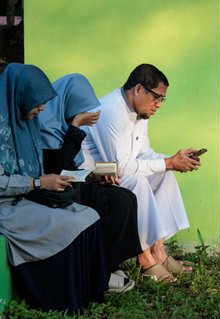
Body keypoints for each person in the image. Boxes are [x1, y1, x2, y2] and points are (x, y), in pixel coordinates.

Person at [0, 63, 108, 313]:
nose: (42, 109)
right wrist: (38, 182)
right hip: (6, 207)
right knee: (71, 224)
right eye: (37, 102)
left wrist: (48, 180)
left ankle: (89, 293)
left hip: (26, 197)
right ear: (19, 95)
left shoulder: (26, 123)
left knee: (89, 215)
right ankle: (60, 300)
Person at [81, 64, 199, 282]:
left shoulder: (139, 113)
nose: (158, 105)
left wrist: (175, 159)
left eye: (162, 100)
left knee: (164, 175)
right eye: (156, 97)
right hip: (91, 178)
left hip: (114, 174)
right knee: (138, 182)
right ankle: (144, 257)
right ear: (138, 89)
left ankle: (158, 250)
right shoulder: (111, 111)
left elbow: (145, 153)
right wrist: (169, 162)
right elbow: (122, 168)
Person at [39, 73, 142, 292]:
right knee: (117, 204)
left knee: (126, 197)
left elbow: (72, 167)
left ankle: (111, 262)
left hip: (71, 183)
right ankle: (98, 272)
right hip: (50, 191)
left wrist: (95, 175)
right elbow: (58, 167)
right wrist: (76, 125)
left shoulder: (62, 123)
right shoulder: (45, 125)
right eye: (78, 110)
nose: (81, 116)